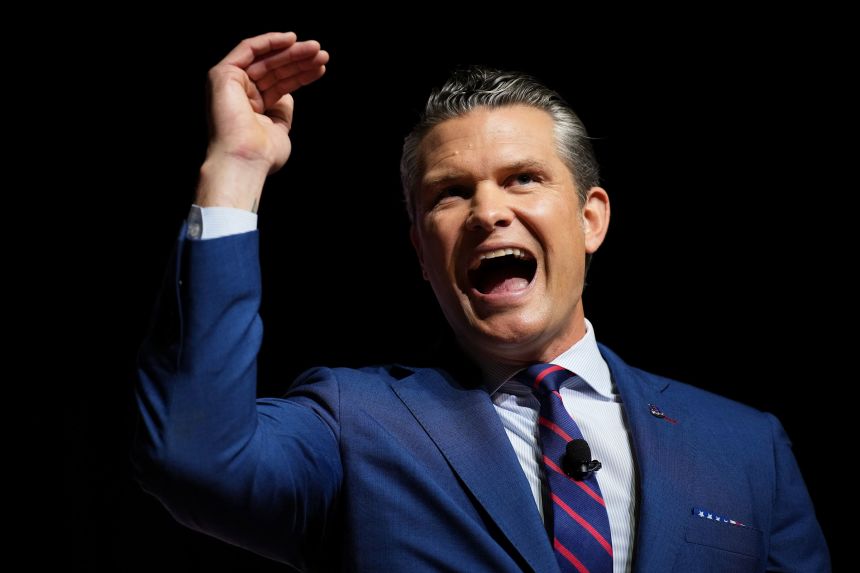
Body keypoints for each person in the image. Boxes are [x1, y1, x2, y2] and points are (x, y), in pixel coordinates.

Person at [133, 31, 830, 572]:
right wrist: (235, 165)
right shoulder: (355, 424)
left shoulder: (746, 447)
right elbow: (192, 457)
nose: (487, 211)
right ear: (421, 253)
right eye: (450, 192)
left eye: (523, 178)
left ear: (591, 219)